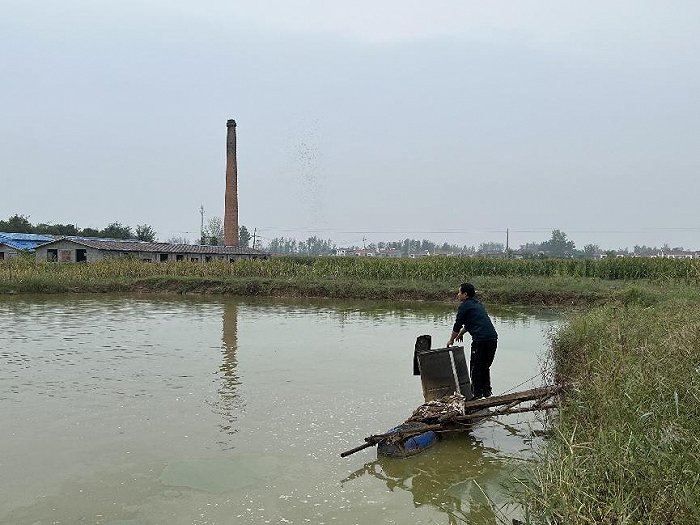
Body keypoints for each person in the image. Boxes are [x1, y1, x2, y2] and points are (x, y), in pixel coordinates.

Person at [446, 283, 498, 399]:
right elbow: (472, 322)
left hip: (481, 341)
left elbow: (457, 325)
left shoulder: (464, 306)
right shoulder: (477, 304)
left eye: (459, 292)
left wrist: (451, 340)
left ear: (465, 294)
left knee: (475, 368)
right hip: (492, 339)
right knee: (484, 367)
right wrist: (461, 334)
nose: (457, 295)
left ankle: (477, 396)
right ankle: (487, 393)